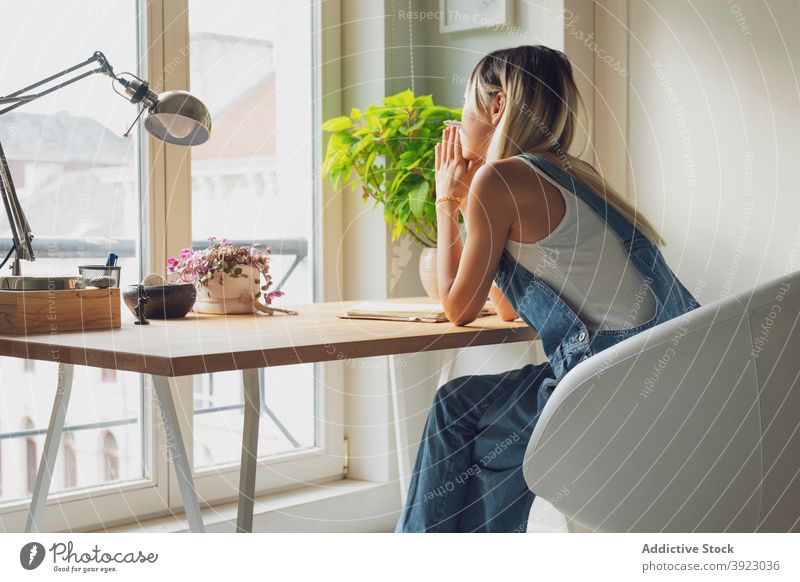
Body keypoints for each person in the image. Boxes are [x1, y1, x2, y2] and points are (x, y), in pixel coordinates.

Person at [394, 45, 700, 533]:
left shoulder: (500, 179)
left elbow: (458, 307)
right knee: (470, 418)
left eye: (464, 106)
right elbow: (510, 305)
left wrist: (447, 199)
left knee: (457, 412)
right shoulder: (577, 174)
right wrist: (480, 213)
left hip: (604, 388)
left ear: (497, 108)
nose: (459, 120)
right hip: (657, 377)